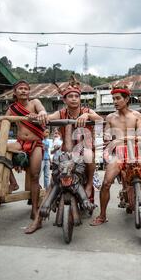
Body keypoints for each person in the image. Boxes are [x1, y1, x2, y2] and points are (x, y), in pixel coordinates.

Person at [0, 80, 48, 234]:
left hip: (35, 144)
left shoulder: (35, 102)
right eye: (20, 89)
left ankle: (34, 209)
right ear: (15, 92)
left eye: (26, 89)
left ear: (29, 92)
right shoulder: (12, 108)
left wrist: (41, 114)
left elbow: (42, 111)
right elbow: (1, 125)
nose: (23, 91)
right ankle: (13, 183)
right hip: (20, 143)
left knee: (34, 176)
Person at [91, 85, 141, 226]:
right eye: (113, 99)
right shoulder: (110, 117)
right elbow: (107, 134)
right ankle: (102, 216)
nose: (115, 101)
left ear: (126, 99)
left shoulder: (136, 115)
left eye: (118, 98)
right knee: (106, 183)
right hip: (119, 153)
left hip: (135, 151)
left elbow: (140, 131)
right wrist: (107, 136)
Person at [46, 75, 102, 203]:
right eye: (70, 96)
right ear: (64, 100)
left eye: (76, 96)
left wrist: (87, 115)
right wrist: (41, 116)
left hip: (84, 150)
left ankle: (88, 185)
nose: (74, 99)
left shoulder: (87, 110)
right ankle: (46, 206)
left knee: (89, 155)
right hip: (66, 152)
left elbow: (100, 119)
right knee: (53, 178)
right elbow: (49, 118)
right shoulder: (60, 113)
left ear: (80, 99)